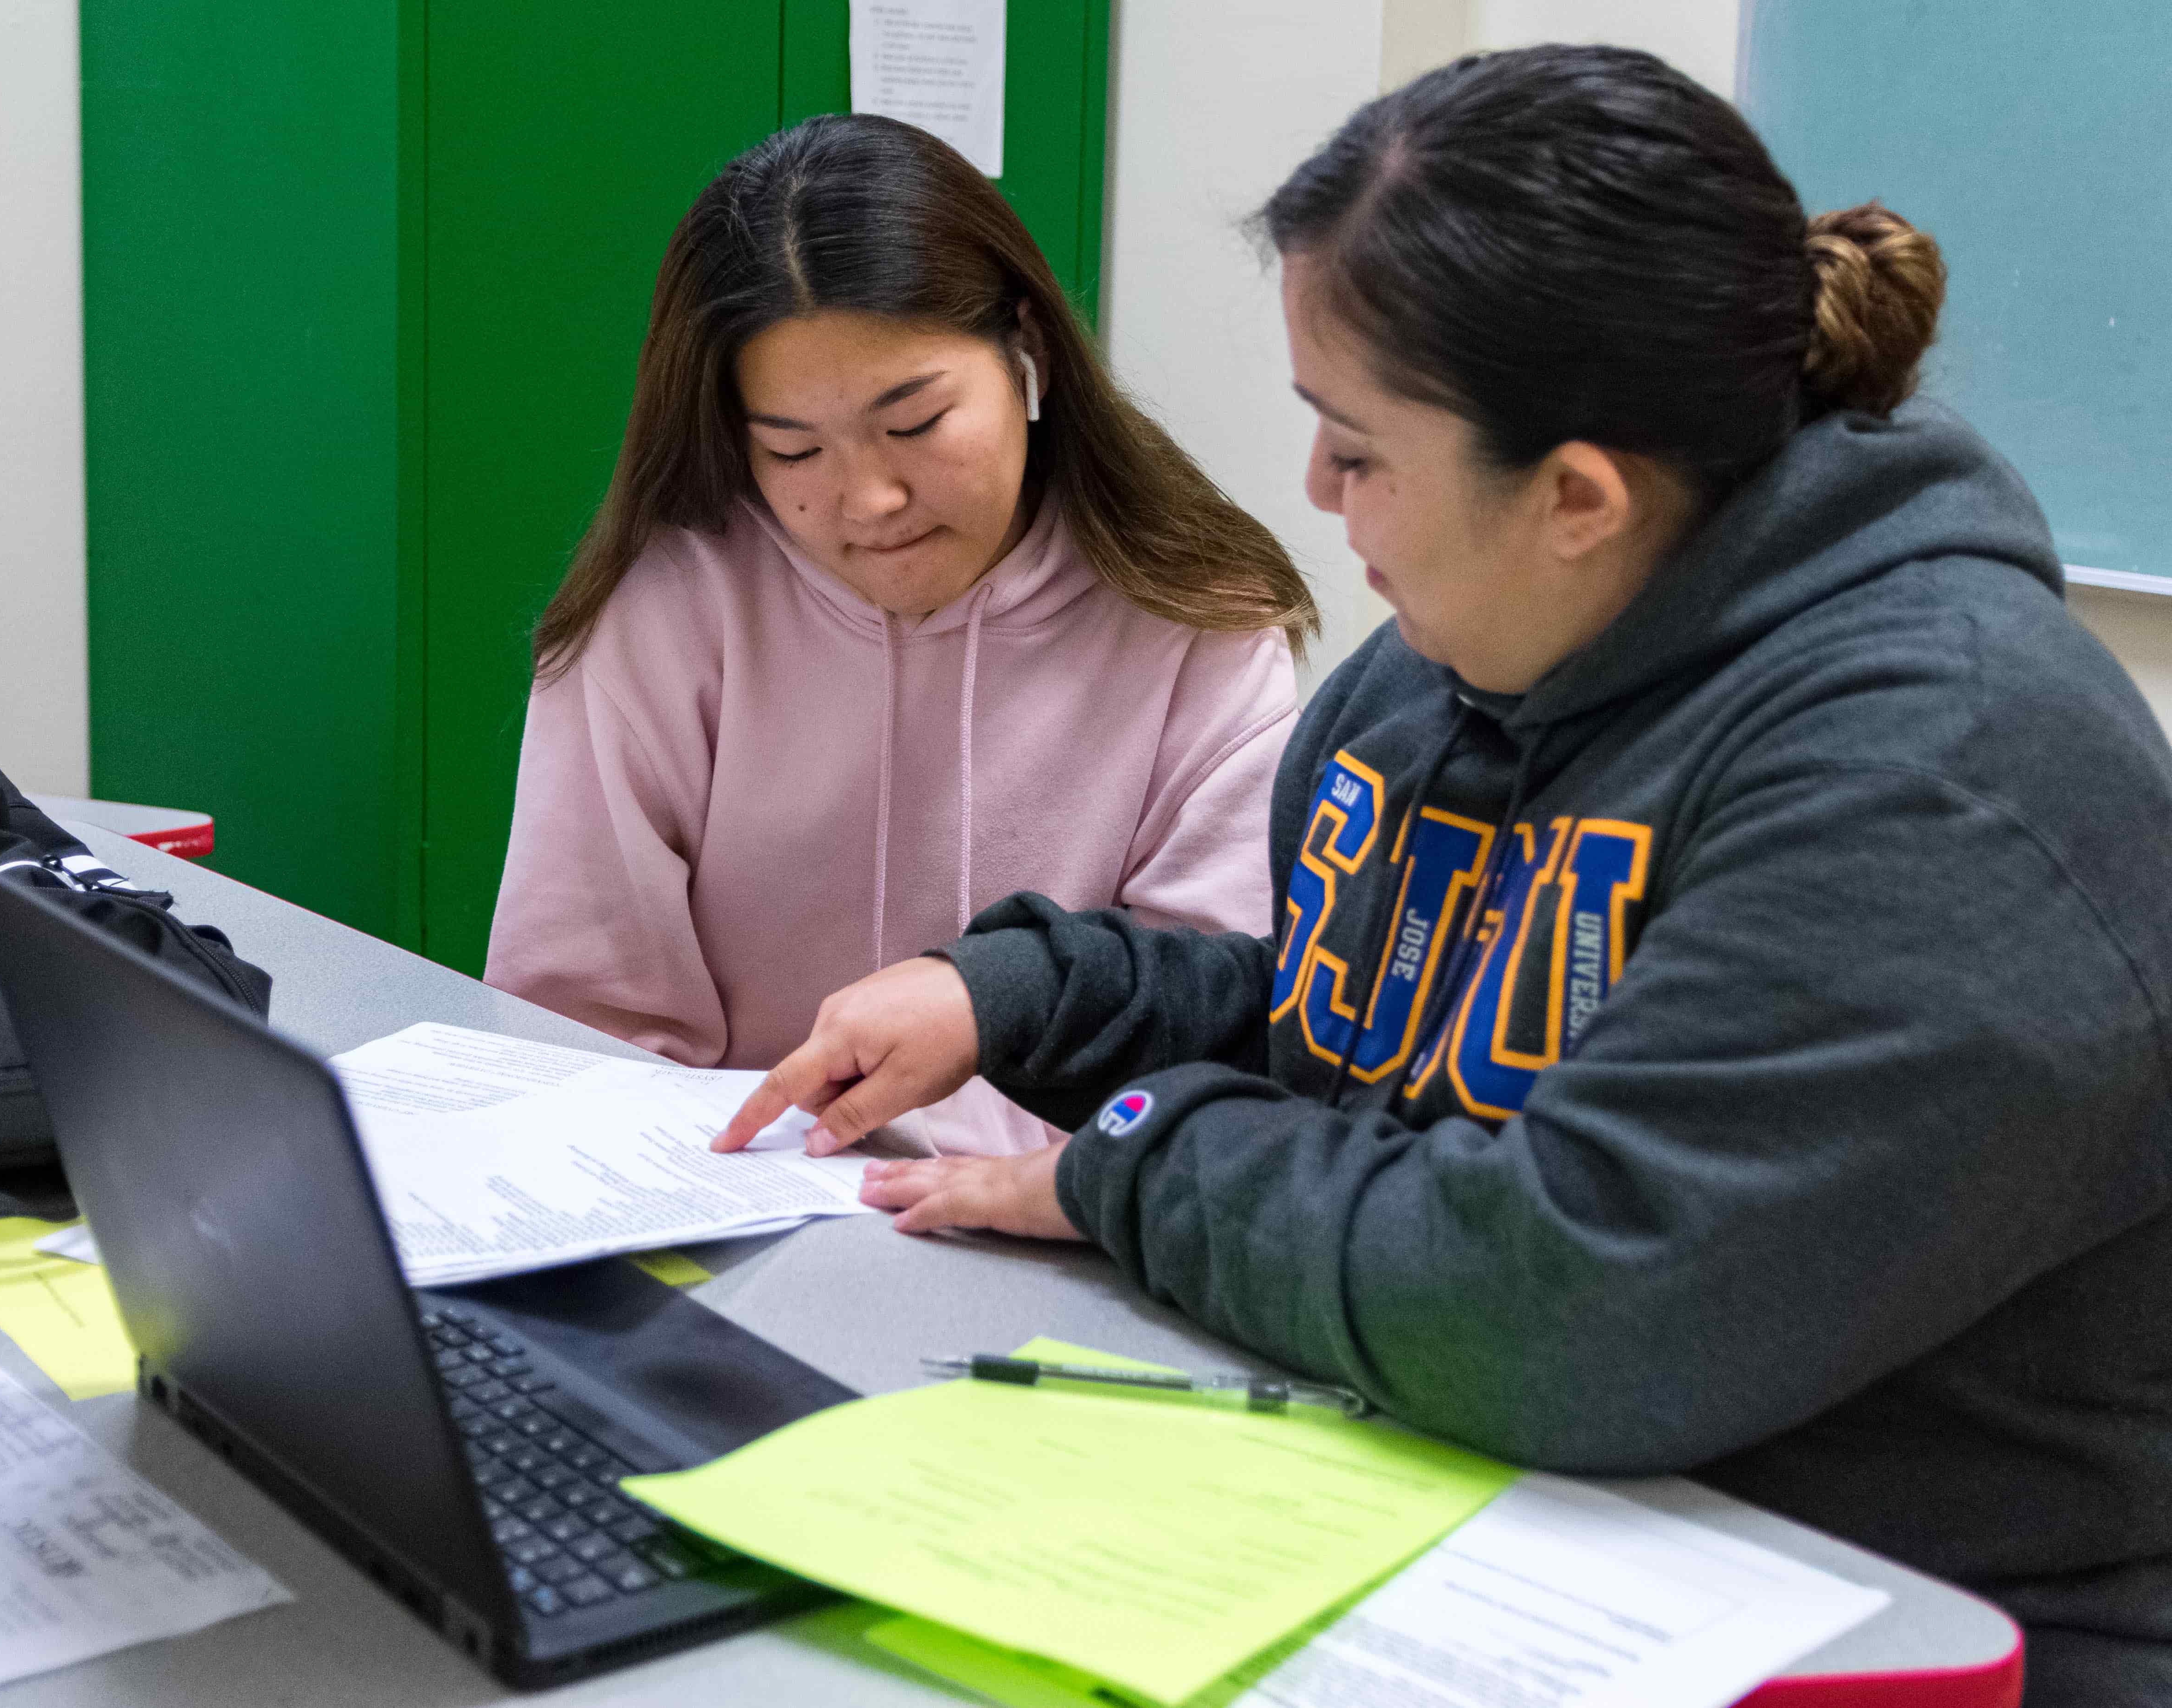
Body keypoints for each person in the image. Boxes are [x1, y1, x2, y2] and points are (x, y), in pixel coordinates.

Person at [719, 47, 2172, 1706]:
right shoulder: (1465, 653)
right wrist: (1030, 996)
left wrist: (1134, 1158)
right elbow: (1369, 1041)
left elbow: (1564, 1302)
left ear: (1576, 496)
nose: (1318, 494)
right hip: (1494, 1521)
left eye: (1356, 447)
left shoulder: (1945, 777)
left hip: (1878, 1630)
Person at [488, 113, 1312, 1157]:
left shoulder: (1199, 623)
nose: (870, 500)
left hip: (1064, 1205)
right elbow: (574, 1025)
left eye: (915, 424)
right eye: (794, 452)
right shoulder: (666, 610)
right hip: (723, 1188)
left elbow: (1205, 1027)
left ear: (1030, 352)